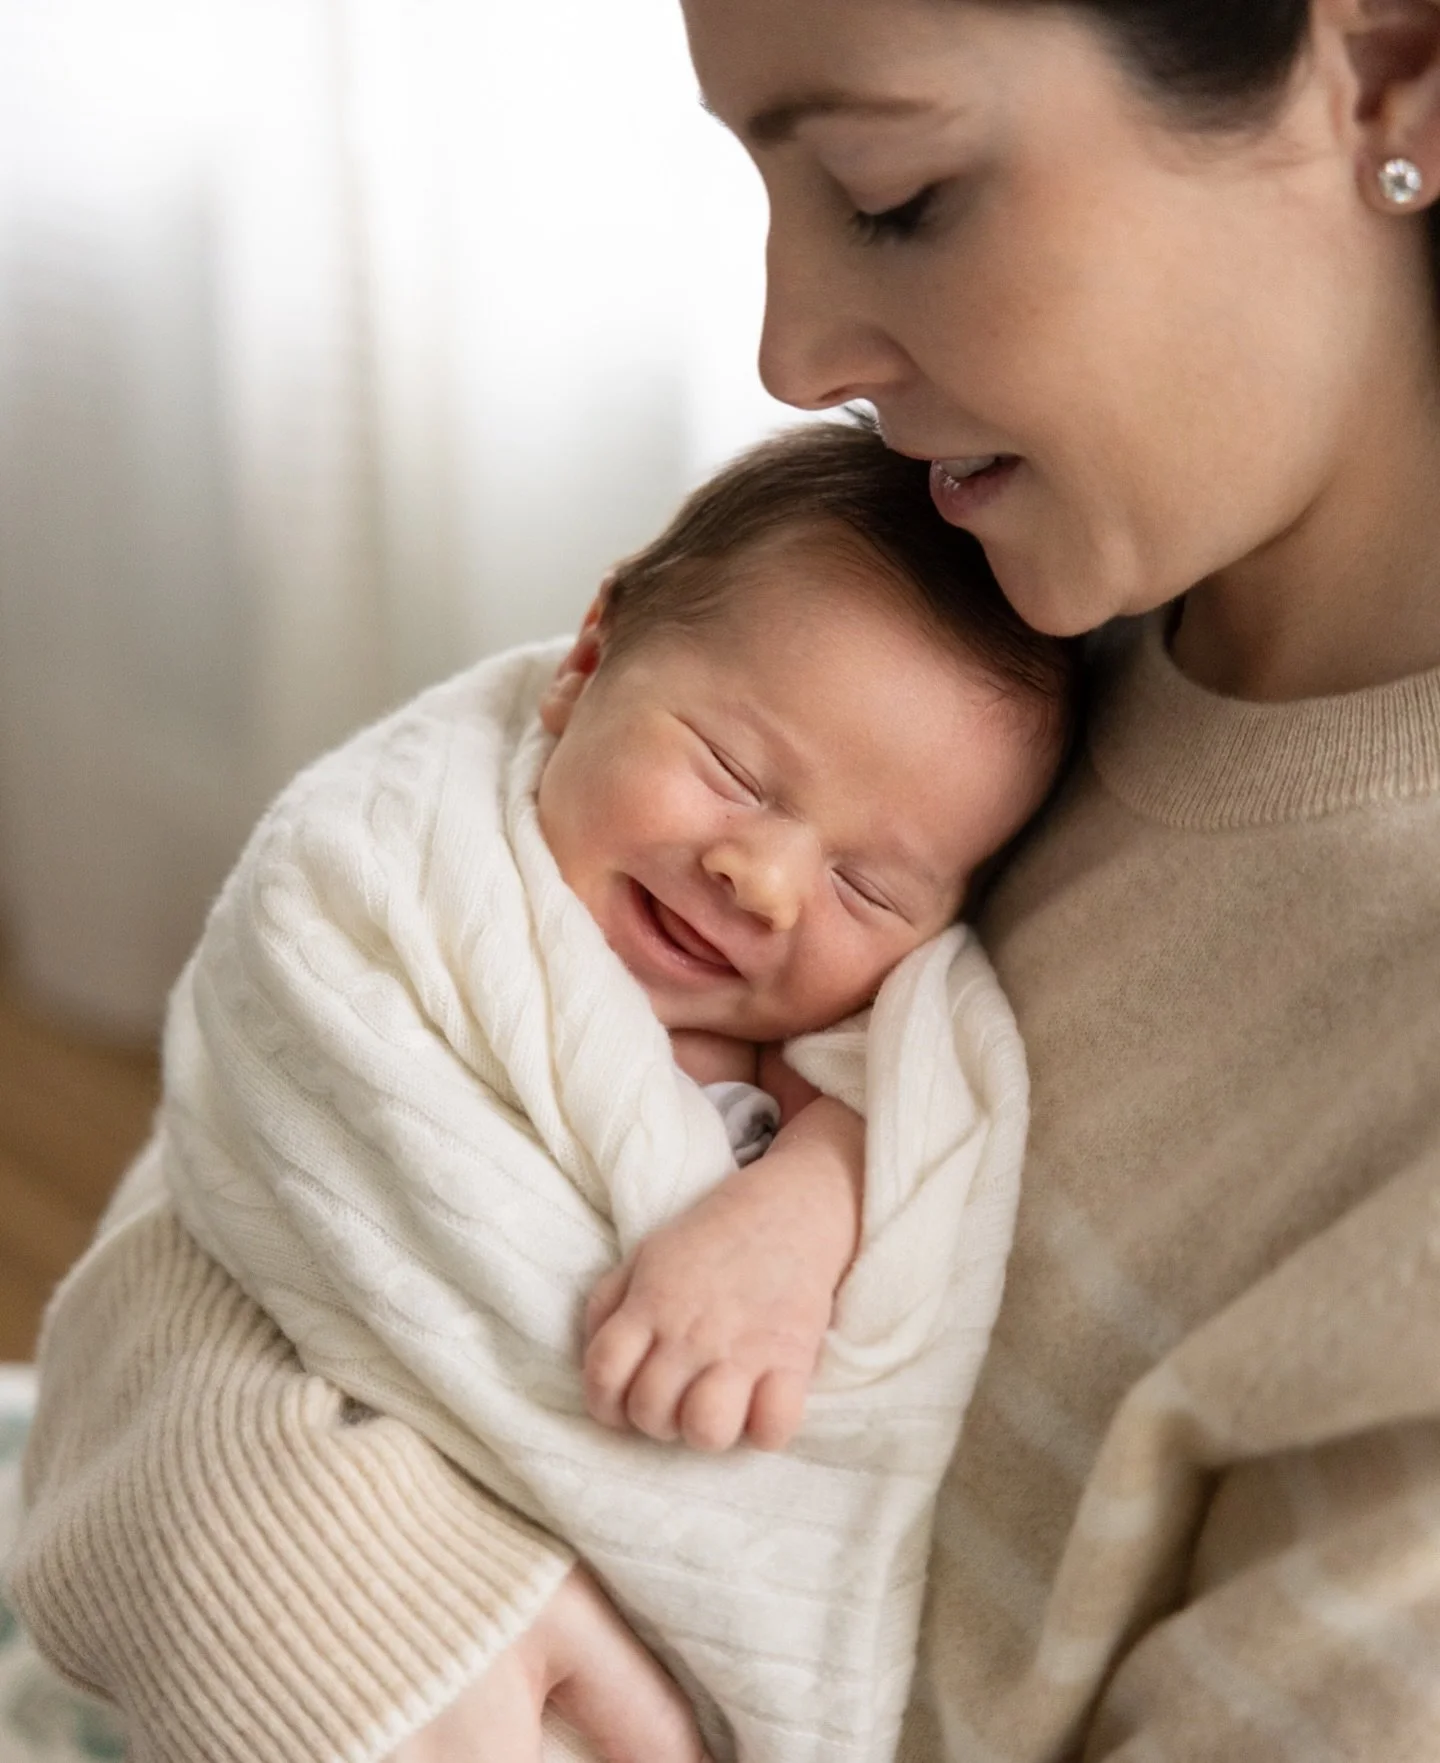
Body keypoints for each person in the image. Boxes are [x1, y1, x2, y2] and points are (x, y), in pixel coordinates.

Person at [11, 0, 1440, 1758]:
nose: (786, 350)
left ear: (1388, 71)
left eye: (890, 190)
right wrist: (328, 1584)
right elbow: (260, 1150)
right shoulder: (966, 585)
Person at [150, 418, 1070, 1763]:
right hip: (375, 1517)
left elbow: (917, 1125)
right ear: (587, 660)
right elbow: (291, 1107)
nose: (760, 878)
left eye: (867, 887)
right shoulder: (409, 889)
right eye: (735, 774)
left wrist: (797, 1215)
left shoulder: (836, 1051)